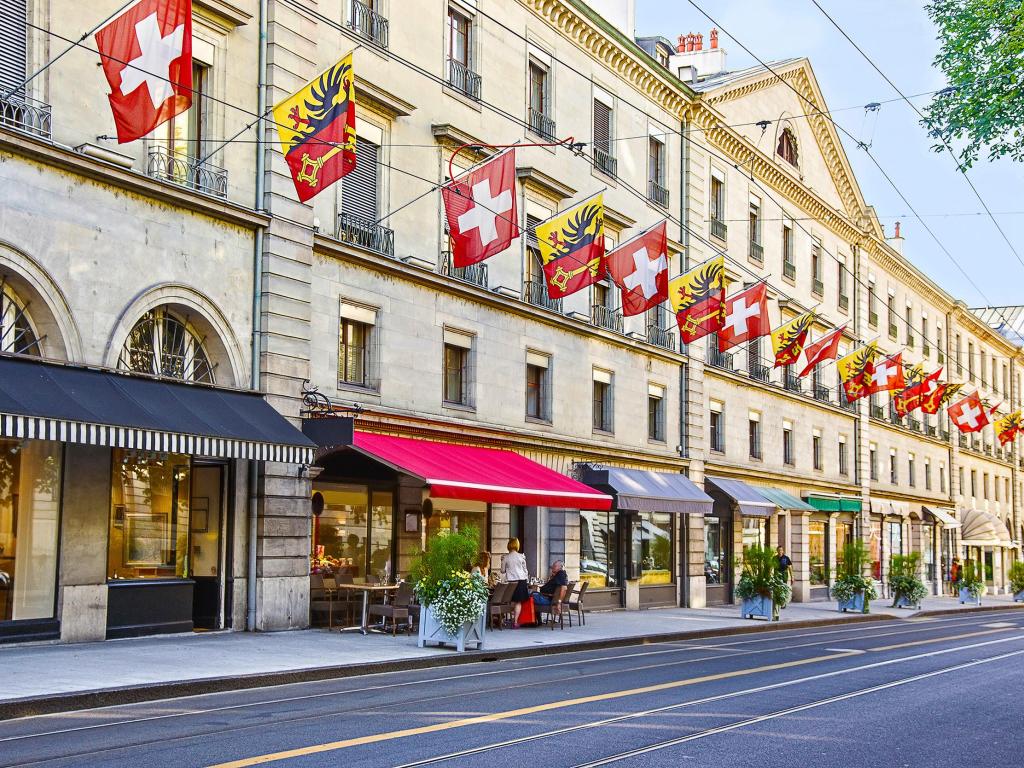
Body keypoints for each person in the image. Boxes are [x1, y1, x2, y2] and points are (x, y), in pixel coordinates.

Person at [501, 538, 529, 626]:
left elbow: (502, 571)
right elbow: (525, 570)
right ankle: (515, 622)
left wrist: (502, 561)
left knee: (509, 600)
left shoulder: (505, 557)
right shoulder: (521, 556)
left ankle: (509, 617)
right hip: (521, 580)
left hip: (511, 581)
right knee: (518, 602)